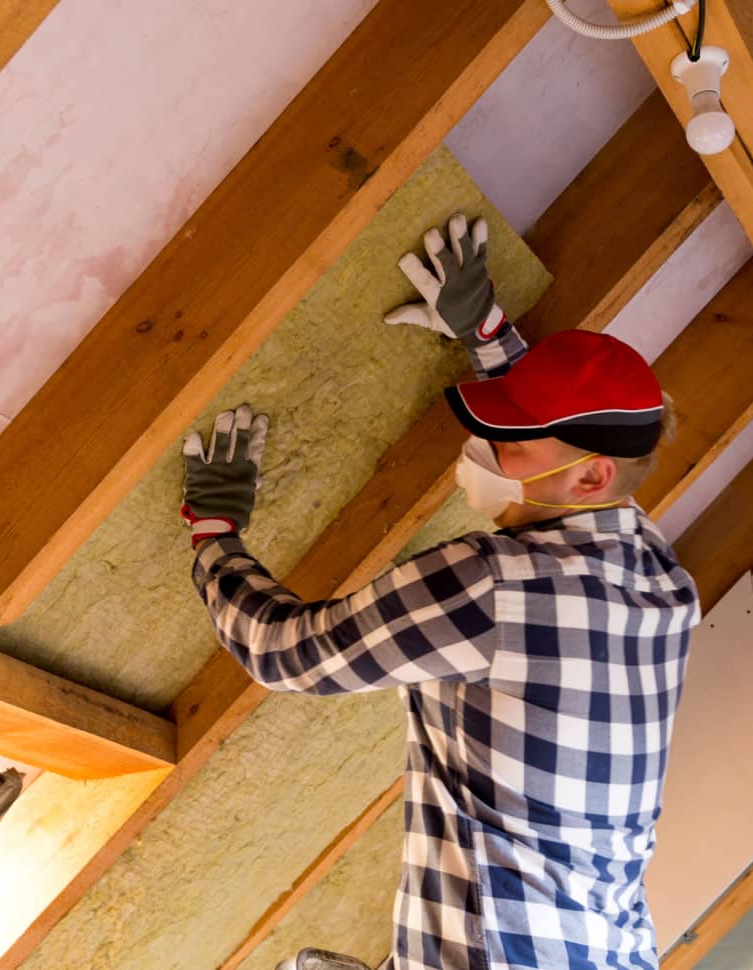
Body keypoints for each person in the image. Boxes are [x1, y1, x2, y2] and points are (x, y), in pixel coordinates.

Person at [179, 214, 701, 970]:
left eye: (511, 440)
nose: (484, 450)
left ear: (592, 478)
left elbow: (285, 653)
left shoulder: (497, 589)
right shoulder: (655, 574)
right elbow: (582, 439)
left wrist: (213, 534)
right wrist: (488, 334)